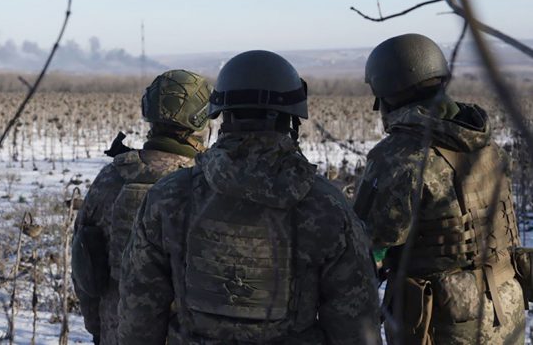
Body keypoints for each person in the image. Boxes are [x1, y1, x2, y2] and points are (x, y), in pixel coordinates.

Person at [118, 50, 381, 345]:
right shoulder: (327, 208)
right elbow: (357, 326)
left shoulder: (168, 198)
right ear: (292, 119)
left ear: (219, 114)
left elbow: (138, 312)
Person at [353, 33, 526, 344]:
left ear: (388, 93)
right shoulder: (487, 145)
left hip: (444, 318)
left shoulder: (399, 157)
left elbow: (367, 244)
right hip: (507, 303)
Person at [71, 69, 213, 345]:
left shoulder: (111, 178)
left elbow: (84, 270)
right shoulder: (207, 185)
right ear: (200, 121)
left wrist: (100, 331)